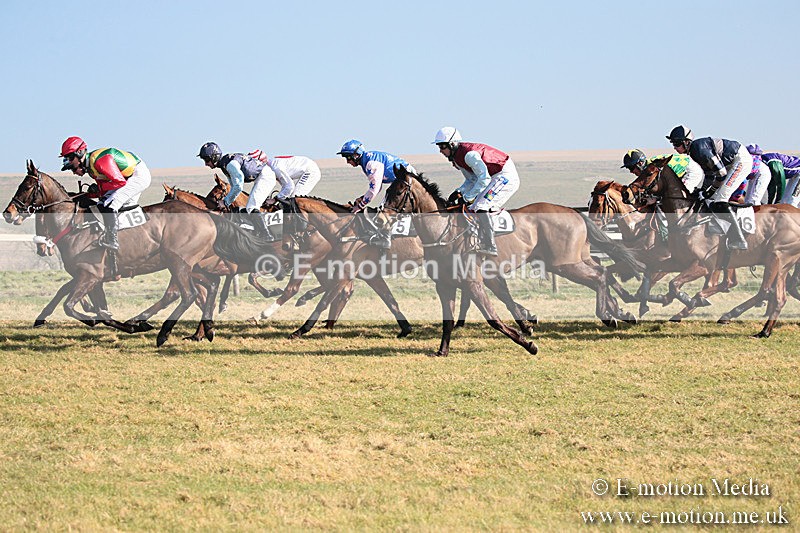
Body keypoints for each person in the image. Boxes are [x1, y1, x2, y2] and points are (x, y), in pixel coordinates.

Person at [434, 127, 520, 256]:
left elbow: (484, 179)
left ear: (452, 144)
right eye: (439, 147)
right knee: (471, 207)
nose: (440, 150)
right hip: (492, 176)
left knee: (481, 205)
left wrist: (467, 197)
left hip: (504, 176)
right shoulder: (456, 158)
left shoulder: (469, 155)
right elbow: (472, 179)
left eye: (442, 146)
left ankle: (491, 246)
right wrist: (459, 192)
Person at [666, 125, 752, 250]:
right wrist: (704, 191)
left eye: (677, 143)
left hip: (740, 161)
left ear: (686, 142)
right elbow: (710, 174)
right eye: (673, 144)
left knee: (720, 199)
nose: (675, 147)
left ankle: (738, 239)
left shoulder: (697, 148)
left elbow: (721, 173)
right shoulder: (694, 151)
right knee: (711, 200)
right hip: (730, 163)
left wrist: (708, 191)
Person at [59, 136, 152, 251]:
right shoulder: (91, 169)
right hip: (126, 176)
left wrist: (99, 188)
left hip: (137, 175)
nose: (73, 171)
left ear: (79, 152)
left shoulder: (99, 162)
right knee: (102, 204)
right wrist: (90, 194)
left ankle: (112, 240)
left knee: (111, 204)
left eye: (72, 167)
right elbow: (103, 192)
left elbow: (119, 182)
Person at [198, 142, 277, 239]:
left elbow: (238, 187)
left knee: (252, 207)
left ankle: (267, 236)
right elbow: (233, 187)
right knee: (249, 207)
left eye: (206, 160)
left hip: (265, 177)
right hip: (261, 177)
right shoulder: (225, 164)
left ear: (214, 157)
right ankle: (257, 231)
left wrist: (226, 202)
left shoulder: (229, 165)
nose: (206, 164)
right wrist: (227, 201)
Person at [337, 139, 416, 212]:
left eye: (348, 157)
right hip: (402, 179)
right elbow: (376, 187)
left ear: (356, 155)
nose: (347, 161)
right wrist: (363, 198)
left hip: (407, 179)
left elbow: (375, 189)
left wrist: (359, 207)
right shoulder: (366, 160)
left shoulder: (371, 164)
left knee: (385, 210)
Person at [621, 148, 704, 193]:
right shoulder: (649, 168)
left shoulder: (652, 168)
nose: (631, 172)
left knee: (680, 194)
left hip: (690, 170)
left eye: (631, 168)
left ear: (640, 164)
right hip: (680, 171)